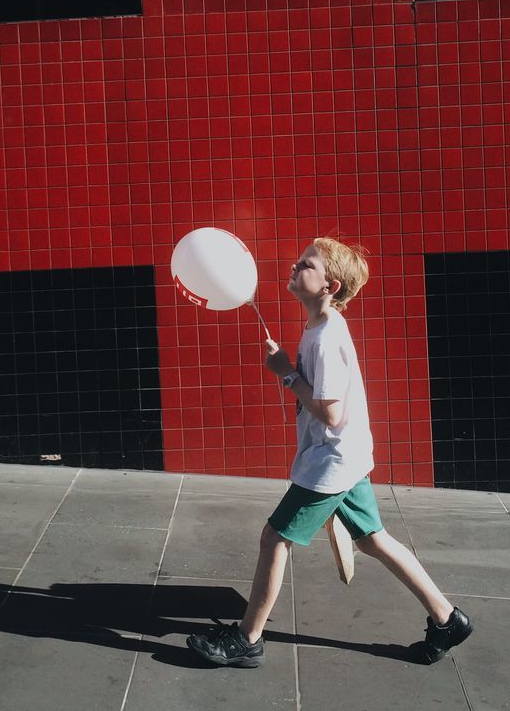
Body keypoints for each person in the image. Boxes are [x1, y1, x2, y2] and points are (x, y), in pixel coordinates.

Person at [186, 237, 472, 668]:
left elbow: (333, 415)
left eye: (306, 264)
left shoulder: (325, 337)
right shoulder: (320, 327)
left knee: (274, 538)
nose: (295, 266)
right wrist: (293, 371)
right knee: (374, 540)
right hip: (348, 455)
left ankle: (247, 639)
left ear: (329, 286)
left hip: (332, 462)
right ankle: (448, 618)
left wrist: (286, 375)